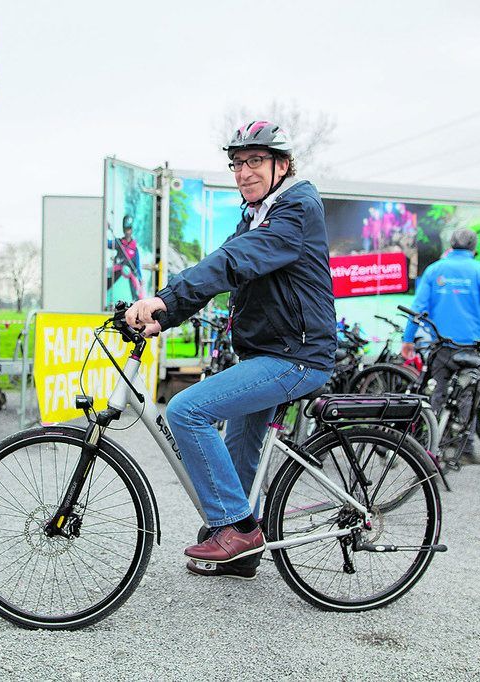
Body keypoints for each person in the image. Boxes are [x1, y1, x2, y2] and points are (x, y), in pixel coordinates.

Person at [125, 120, 336, 579]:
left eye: (255, 161)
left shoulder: (297, 208)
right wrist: (164, 314)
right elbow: (215, 269)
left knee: (186, 411)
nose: (244, 172)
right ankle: (241, 549)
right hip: (268, 354)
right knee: (239, 448)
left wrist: (166, 300)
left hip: (296, 357)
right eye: (238, 164)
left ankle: (239, 528)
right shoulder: (256, 214)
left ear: (283, 165)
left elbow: (235, 261)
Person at [401, 228, 480, 465]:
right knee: (468, 395)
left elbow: (418, 308)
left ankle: (431, 444)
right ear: (474, 247)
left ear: (451, 244)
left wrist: (408, 339)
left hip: (441, 346)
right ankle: (465, 449)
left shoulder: (435, 270)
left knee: (438, 394)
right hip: (470, 346)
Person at [106, 215, 145, 301]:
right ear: (123, 230)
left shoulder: (135, 249)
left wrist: (140, 279)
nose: (127, 232)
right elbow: (107, 244)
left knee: (136, 297)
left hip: (129, 278)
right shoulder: (119, 243)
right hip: (117, 274)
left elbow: (137, 266)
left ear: (132, 230)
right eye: (126, 229)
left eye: (129, 229)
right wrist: (106, 229)